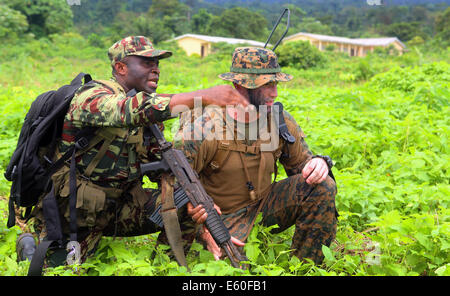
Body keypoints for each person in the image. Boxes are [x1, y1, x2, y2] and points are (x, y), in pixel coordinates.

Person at [17, 36, 249, 266]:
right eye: (147, 63)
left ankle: (166, 267)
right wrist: (202, 97)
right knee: (63, 269)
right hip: (75, 214)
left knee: (185, 202)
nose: (156, 69)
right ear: (120, 67)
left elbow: (161, 167)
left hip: (119, 207)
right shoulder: (91, 97)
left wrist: (197, 204)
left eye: (157, 64)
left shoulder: (147, 118)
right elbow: (125, 111)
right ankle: (29, 247)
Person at [173, 46, 338, 264]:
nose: (275, 93)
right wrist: (206, 229)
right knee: (232, 264)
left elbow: (303, 166)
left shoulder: (279, 120)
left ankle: (307, 266)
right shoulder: (203, 127)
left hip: (264, 206)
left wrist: (318, 164)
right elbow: (175, 187)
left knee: (323, 185)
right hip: (218, 218)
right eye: (267, 84)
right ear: (239, 85)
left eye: (275, 83)